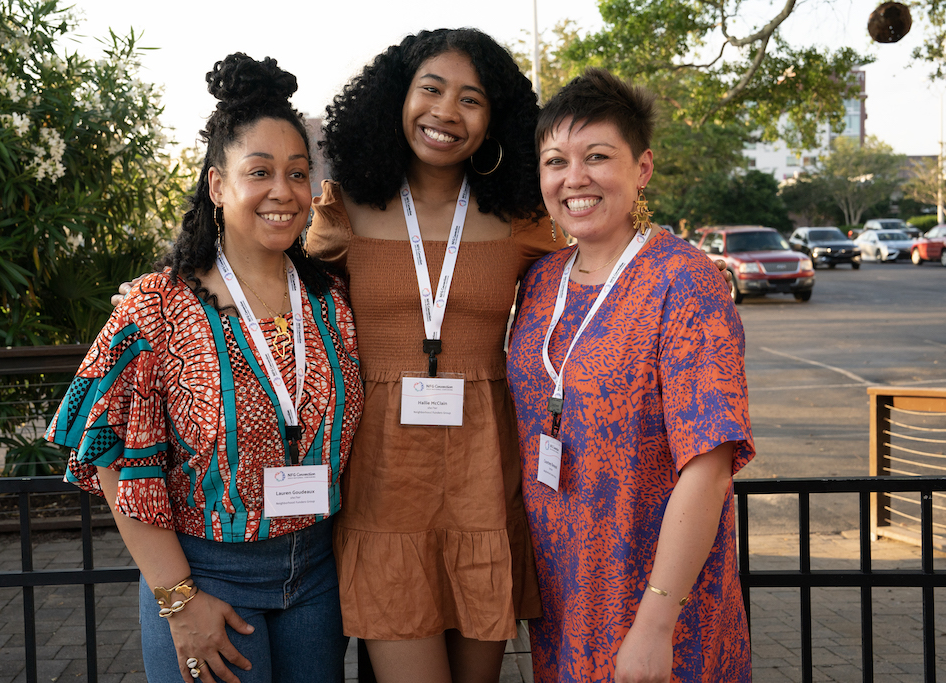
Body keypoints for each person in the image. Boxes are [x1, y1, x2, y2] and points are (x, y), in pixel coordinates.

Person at [46, 54, 364, 683]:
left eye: (299, 173)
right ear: (218, 186)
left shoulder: (332, 298)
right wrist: (178, 599)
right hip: (206, 575)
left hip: (316, 576)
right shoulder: (159, 305)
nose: (284, 192)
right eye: (260, 173)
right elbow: (109, 451)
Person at [307, 28, 556, 683]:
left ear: (494, 120)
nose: (447, 111)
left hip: (483, 477)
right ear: (397, 98)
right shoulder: (343, 212)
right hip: (383, 481)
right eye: (432, 89)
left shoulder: (525, 219)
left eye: (471, 99)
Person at [505, 68, 755, 682]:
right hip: (566, 603)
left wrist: (656, 625)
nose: (574, 178)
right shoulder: (542, 281)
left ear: (641, 169)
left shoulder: (683, 279)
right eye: (556, 161)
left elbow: (709, 463)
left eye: (597, 157)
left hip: (658, 608)